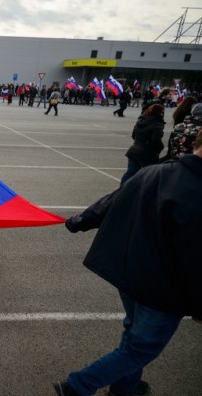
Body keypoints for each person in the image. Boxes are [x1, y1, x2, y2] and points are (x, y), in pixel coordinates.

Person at [55, 130, 202, 396]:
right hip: (162, 289)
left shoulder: (156, 171)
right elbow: (195, 259)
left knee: (133, 337)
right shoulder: (196, 191)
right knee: (140, 349)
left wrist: (80, 221)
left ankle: (126, 387)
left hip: (131, 274)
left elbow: (113, 199)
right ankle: (77, 387)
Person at [120, 104, 165, 185]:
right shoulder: (157, 124)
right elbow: (155, 140)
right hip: (147, 153)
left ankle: (122, 189)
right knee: (152, 173)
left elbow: (134, 135)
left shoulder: (140, 121)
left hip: (134, 150)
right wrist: (160, 148)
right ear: (160, 113)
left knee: (130, 172)